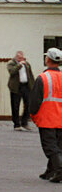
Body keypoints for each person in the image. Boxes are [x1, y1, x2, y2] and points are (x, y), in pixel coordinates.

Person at [29, 47, 62, 182]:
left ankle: (59, 169)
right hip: (60, 119)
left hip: (48, 118)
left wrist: (33, 115)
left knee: (50, 147)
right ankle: (50, 171)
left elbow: (35, 101)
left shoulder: (43, 78)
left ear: (47, 59)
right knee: (58, 146)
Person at [7, 50, 34, 131]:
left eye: (22, 58)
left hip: (26, 86)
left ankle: (24, 122)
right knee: (15, 105)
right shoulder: (11, 63)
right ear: (16, 57)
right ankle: (16, 124)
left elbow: (30, 75)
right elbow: (12, 72)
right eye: (19, 58)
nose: (21, 59)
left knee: (28, 104)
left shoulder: (27, 64)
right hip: (16, 87)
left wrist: (33, 86)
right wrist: (19, 65)